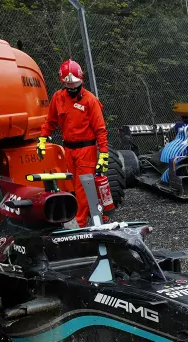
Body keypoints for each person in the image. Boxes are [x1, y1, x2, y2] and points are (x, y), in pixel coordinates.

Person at [37, 60, 109, 228]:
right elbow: (50, 122)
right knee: (75, 187)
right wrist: (42, 139)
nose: (72, 89)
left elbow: (100, 129)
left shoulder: (90, 101)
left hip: (86, 150)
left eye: (75, 85)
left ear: (81, 81)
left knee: (82, 188)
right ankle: (99, 214)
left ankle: (80, 224)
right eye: (68, 86)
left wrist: (103, 154)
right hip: (68, 150)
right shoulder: (58, 98)